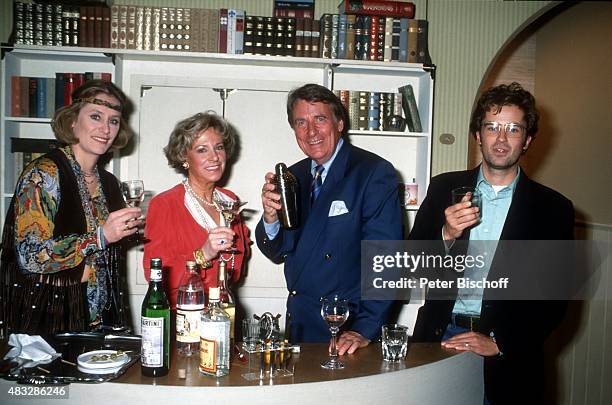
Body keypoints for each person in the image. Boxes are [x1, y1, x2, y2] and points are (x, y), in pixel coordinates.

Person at [409, 82, 574, 403]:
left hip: (505, 354)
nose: (501, 139)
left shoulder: (553, 208)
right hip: (438, 338)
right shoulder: (444, 187)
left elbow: (555, 299)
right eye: (492, 127)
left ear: (527, 140)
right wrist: (446, 234)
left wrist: (502, 342)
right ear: (477, 135)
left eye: (513, 129)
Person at [256, 83, 402, 354]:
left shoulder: (372, 172)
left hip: (347, 328)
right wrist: (270, 217)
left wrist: (364, 329)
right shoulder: (292, 175)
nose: (311, 131)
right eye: (301, 122)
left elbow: (385, 259)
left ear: (340, 123)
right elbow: (277, 252)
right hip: (300, 326)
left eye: (320, 119)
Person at [0, 80, 142, 337]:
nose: (105, 128)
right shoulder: (44, 174)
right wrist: (101, 236)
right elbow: (29, 256)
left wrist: (133, 228)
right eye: (96, 116)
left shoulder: (108, 183)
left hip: (101, 317)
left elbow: (108, 250)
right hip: (47, 316)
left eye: (113, 121)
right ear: (73, 121)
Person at [143, 111, 250, 309]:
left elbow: (236, 269)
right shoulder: (165, 204)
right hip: (185, 317)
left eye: (219, 147)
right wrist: (202, 254)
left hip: (225, 313)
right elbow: (155, 275)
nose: (215, 157)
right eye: (202, 150)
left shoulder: (230, 201)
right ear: (184, 156)